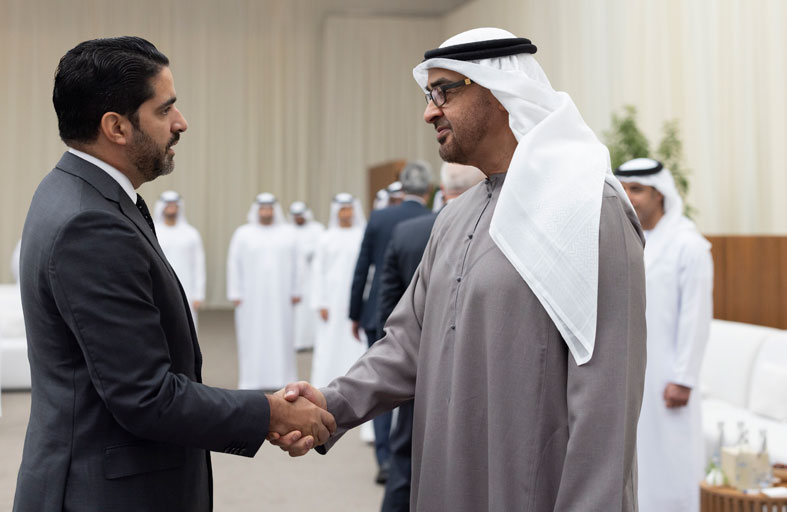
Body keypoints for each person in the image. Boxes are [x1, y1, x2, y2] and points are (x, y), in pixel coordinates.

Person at [274, 27, 647, 511]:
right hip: (445, 477)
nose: (429, 112)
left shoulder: (590, 211)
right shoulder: (453, 217)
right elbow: (407, 343)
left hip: (532, 489)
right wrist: (331, 403)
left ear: (499, 92)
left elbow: (608, 399)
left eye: (444, 92)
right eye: (429, 95)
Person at [13, 36, 334, 512]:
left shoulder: (74, 192)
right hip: (106, 493)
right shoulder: (91, 223)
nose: (181, 123)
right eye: (165, 110)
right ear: (117, 127)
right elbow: (145, 396)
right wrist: (269, 412)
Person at [378, 162, 484, 512]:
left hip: (413, 364)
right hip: (474, 375)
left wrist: (387, 356)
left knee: (406, 454)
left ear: (441, 187)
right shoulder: (501, 229)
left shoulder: (407, 231)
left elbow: (388, 302)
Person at [616, 157, 713, 512]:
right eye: (623, 189)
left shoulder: (689, 245)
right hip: (633, 374)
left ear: (660, 194)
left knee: (672, 460)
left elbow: (696, 318)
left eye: (637, 189)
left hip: (669, 379)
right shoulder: (628, 239)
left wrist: (683, 378)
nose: (628, 197)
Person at [348, 161, 432, 483]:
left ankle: (383, 458)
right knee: (416, 392)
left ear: (402, 187)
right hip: (422, 317)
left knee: (378, 384)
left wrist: (355, 312)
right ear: (428, 190)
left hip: (378, 313)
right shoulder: (437, 219)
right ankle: (411, 459)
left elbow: (363, 268)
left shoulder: (380, 218)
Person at [227, 193, 299, 391]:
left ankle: (283, 377)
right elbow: (234, 264)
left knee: (281, 335)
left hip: (282, 296)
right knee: (252, 336)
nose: (266, 212)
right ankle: (252, 379)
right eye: (262, 208)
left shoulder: (288, 233)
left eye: (269, 208)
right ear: (256, 210)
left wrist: (296, 289)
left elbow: (297, 264)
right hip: (250, 298)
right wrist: (235, 292)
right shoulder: (243, 233)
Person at [310, 193, 367, 388]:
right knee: (330, 342)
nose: (347, 213)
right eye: (343, 209)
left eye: (349, 209)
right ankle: (326, 384)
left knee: (355, 342)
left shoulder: (362, 235)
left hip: (356, 298)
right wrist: (320, 302)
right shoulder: (326, 238)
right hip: (331, 300)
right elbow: (317, 272)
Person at [153, 190, 206, 327]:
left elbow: (198, 264)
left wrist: (198, 294)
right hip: (159, 288)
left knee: (186, 326)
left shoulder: (191, 233)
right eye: (168, 205)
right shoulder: (152, 232)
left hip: (186, 289)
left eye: (174, 205)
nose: (171, 208)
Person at [289, 201, 325, 351]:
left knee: (313, 309)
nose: (298, 218)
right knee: (297, 312)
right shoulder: (287, 230)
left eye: (300, 215)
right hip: (295, 279)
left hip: (313, 278)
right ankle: (297, 341)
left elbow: (323, 249)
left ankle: (314, 341)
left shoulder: (317, 229)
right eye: (295, 215)